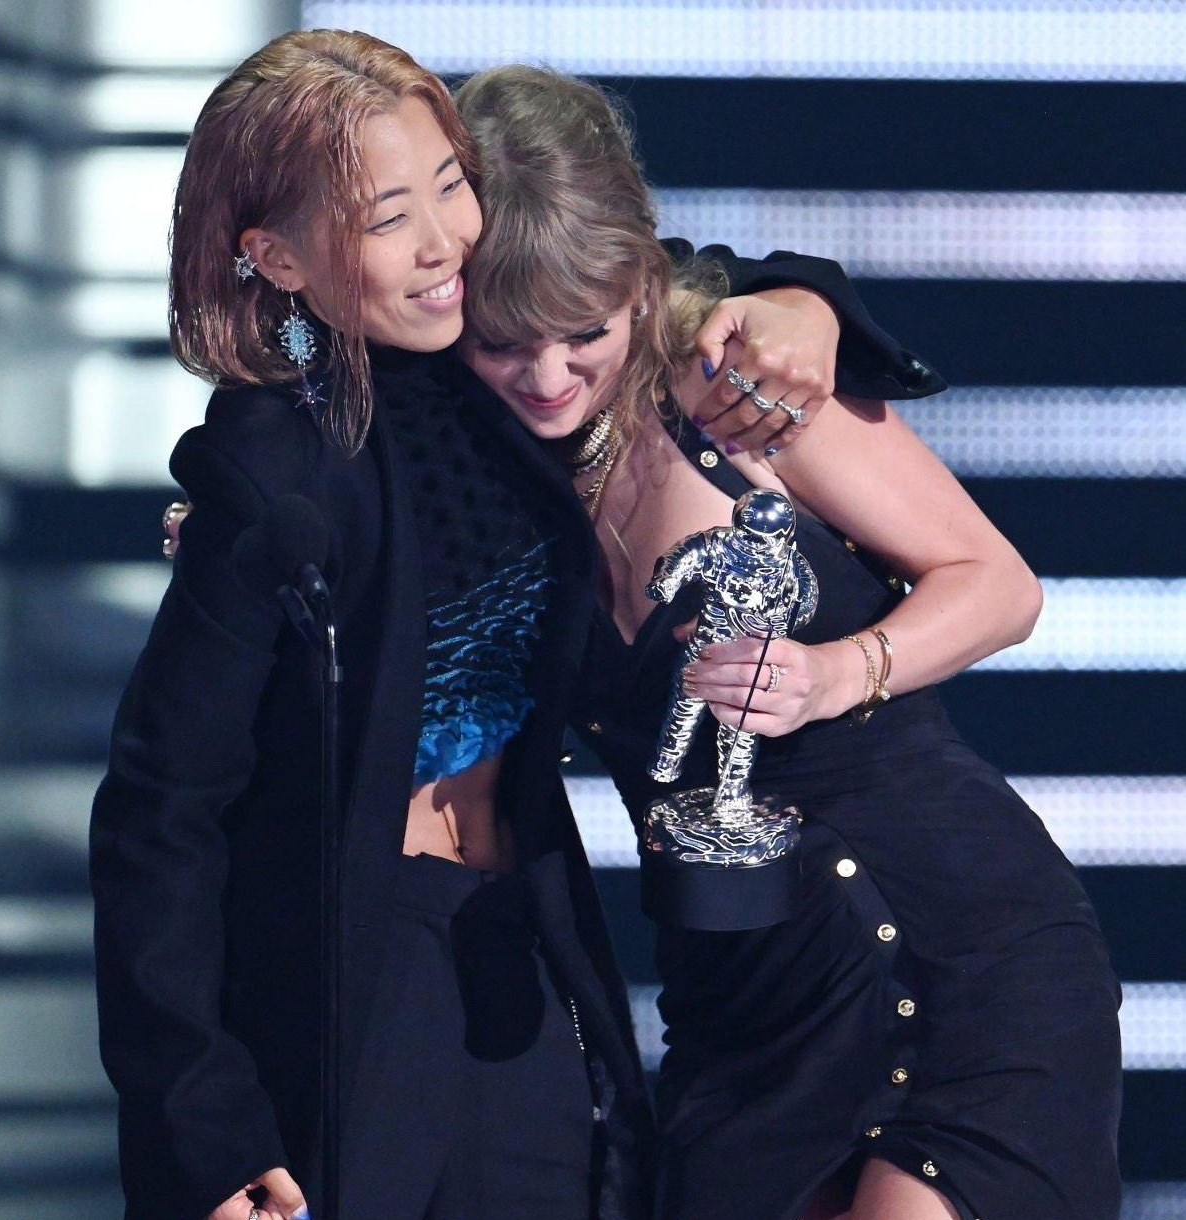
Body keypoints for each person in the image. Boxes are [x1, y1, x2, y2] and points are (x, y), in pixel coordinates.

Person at [90, 29, 935, 1220]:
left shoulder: (504, 371)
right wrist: (200, 1119)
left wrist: (800, 299)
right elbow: (158, 814)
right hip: (355, 975)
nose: (444, 240)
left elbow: (634, 271)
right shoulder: (271, 474)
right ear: (276, 256)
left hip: (524, 947)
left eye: (451, 185)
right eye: (389, 217)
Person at [452, 65, 1123, 1220]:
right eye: (505, 342)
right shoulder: (468, 480)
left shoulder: (736, 389)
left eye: (583, 332)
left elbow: (1000, 585)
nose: (549, 376)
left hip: (965, 953)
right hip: (744, 1012)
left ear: (639, 282)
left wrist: (834, 673)